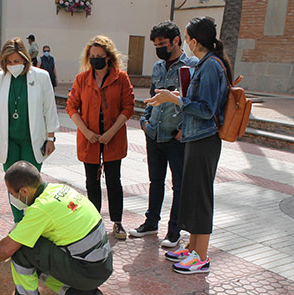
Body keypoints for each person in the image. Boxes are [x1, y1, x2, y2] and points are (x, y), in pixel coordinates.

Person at [146, 17, 230, 274]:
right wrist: (173, 97)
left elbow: (206, 109)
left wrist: (174, 99)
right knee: (193, 195)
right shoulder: (206, 64)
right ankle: (193, 248)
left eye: (188, 38)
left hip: (205, 138)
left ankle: (201, 257)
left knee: (201, 197)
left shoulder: (210, 66)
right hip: (196, 138)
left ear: (193, 40)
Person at [0, 161, 113, 295]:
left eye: (12, 193)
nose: (12, 198)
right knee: (34, 250)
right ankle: (83, 294)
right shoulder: (58, 189)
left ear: (23, 191)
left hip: (86, 271)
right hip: (101, 266)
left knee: (23, 252)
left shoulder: (41, 209)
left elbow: (7, 250)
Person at [129, 21, 198, 249]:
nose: (159, 48)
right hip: (154, 134)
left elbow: (193, 102)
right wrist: (144, 121)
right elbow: (152, 97)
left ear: (176, 40)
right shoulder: (158, 67)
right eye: (156, 44)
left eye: (163, 44)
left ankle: (174, 230)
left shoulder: (191, 66)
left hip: (176, 138)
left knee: (178, 186)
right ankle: (151, 222)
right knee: (155, 181)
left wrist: (184, 131)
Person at [66, 35, 135, 241]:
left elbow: (128, 107)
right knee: (91, 182)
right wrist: (86, 132)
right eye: (92, 56)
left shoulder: (121, 78)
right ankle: (94, 222)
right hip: (90, 140)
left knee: (114, 181)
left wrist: (111, 132)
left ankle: (117, 222)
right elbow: (71, 107)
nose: (96, 59)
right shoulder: (81, 79)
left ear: (108, 57)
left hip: (112, 138)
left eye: (100, 56)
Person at [0, 37, 59, 224]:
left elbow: (49, 108)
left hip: (32, 140)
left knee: (31, 184)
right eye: (8, 62)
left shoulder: (40, 76)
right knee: (13, 183)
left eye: (16, 61)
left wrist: (51, 138)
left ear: (25, 59)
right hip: (8, 141)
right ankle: (18, 222)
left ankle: (33, 221)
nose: (12, 65)